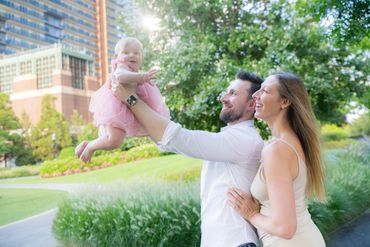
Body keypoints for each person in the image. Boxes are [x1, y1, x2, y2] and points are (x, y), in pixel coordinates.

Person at [113, 70, 265, 247]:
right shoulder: (232, 139)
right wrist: (136, 104)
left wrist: (130, 99)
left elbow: (180, 139)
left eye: (233, 93)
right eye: (226, 92)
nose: (223, 98)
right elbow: (167, 141)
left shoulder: (244, 140)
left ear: (252, 103)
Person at [227, 72, 326, 247]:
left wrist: (251, 214)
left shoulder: (277, 150)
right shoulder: (289, 143)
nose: (255, 95)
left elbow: (285, 229)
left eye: (264, 91)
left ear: (285, 101)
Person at [75, 37, 170, 163]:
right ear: (117, 56)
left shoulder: (135, 72)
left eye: (136, 53)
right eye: (126, 52)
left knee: (152, 126)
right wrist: (142, 77)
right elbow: (120, 77)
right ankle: (90, 146)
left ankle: (164, 142)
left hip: (130, 107)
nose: (132, 55)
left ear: (141, 58)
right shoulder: (122, 66)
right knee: (114, 141)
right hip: (115, 108)